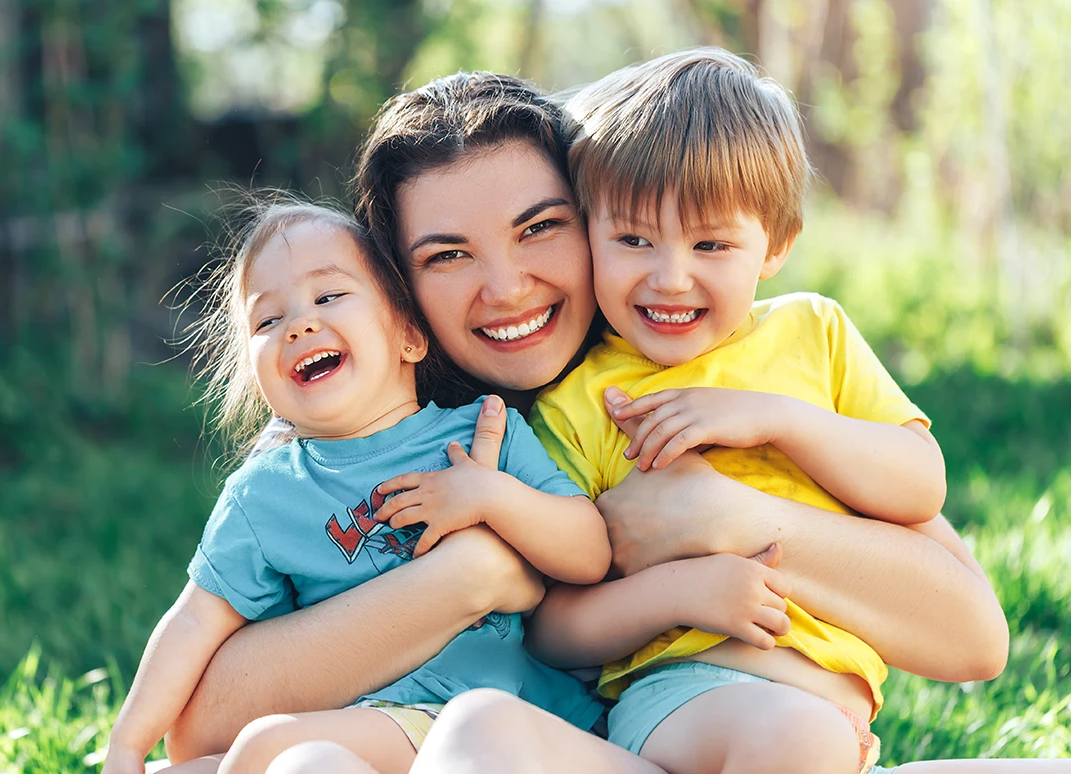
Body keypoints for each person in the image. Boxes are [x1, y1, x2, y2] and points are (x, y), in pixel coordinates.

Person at [156, 71, 1008, 769]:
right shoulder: (364, 433)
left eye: (541, 228)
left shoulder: (683, 374)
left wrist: (732, 519)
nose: (507, 288)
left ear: (598, 215)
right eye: (447, 255)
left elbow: (972, 635)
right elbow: (198, 728)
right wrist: (471, 579)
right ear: (397, 291)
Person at [411, 50, 1067, 774]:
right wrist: (682, 591)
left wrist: (779, 421)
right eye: (632, 239)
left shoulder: (813, 335)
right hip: (679, 705)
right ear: (590, 231)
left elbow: (921, 486)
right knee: (794, 737)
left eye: (712, 244)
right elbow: (556, 629)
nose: (670, 276)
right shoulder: (585, 399)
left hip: (833, 716)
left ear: (776, 245)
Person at [100, 199, 614, 774]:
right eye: (267, 321)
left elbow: (590, 553)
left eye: (328, 297)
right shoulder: (263, 495)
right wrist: (126, 743)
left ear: (410, 336)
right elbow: (194, 622)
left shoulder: (483, 433)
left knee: (265, 750)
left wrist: (492, 496)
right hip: (365, 723)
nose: (299, 325)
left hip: (498, 715)